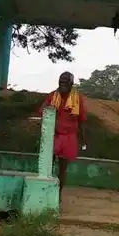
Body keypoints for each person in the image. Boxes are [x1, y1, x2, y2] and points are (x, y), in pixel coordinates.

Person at [39, 71, 87, 201]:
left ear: (72, 83)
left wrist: (83, 141)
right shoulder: (52, 96)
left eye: (66, 82)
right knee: (47, 165)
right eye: (61, 82)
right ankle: (44, 193)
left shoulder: (78, 99)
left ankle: (57, 195)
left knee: (62, 169)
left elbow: (81, 121)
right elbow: (43, 112)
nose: (62, 84)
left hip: (69, 137)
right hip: (53, 135)